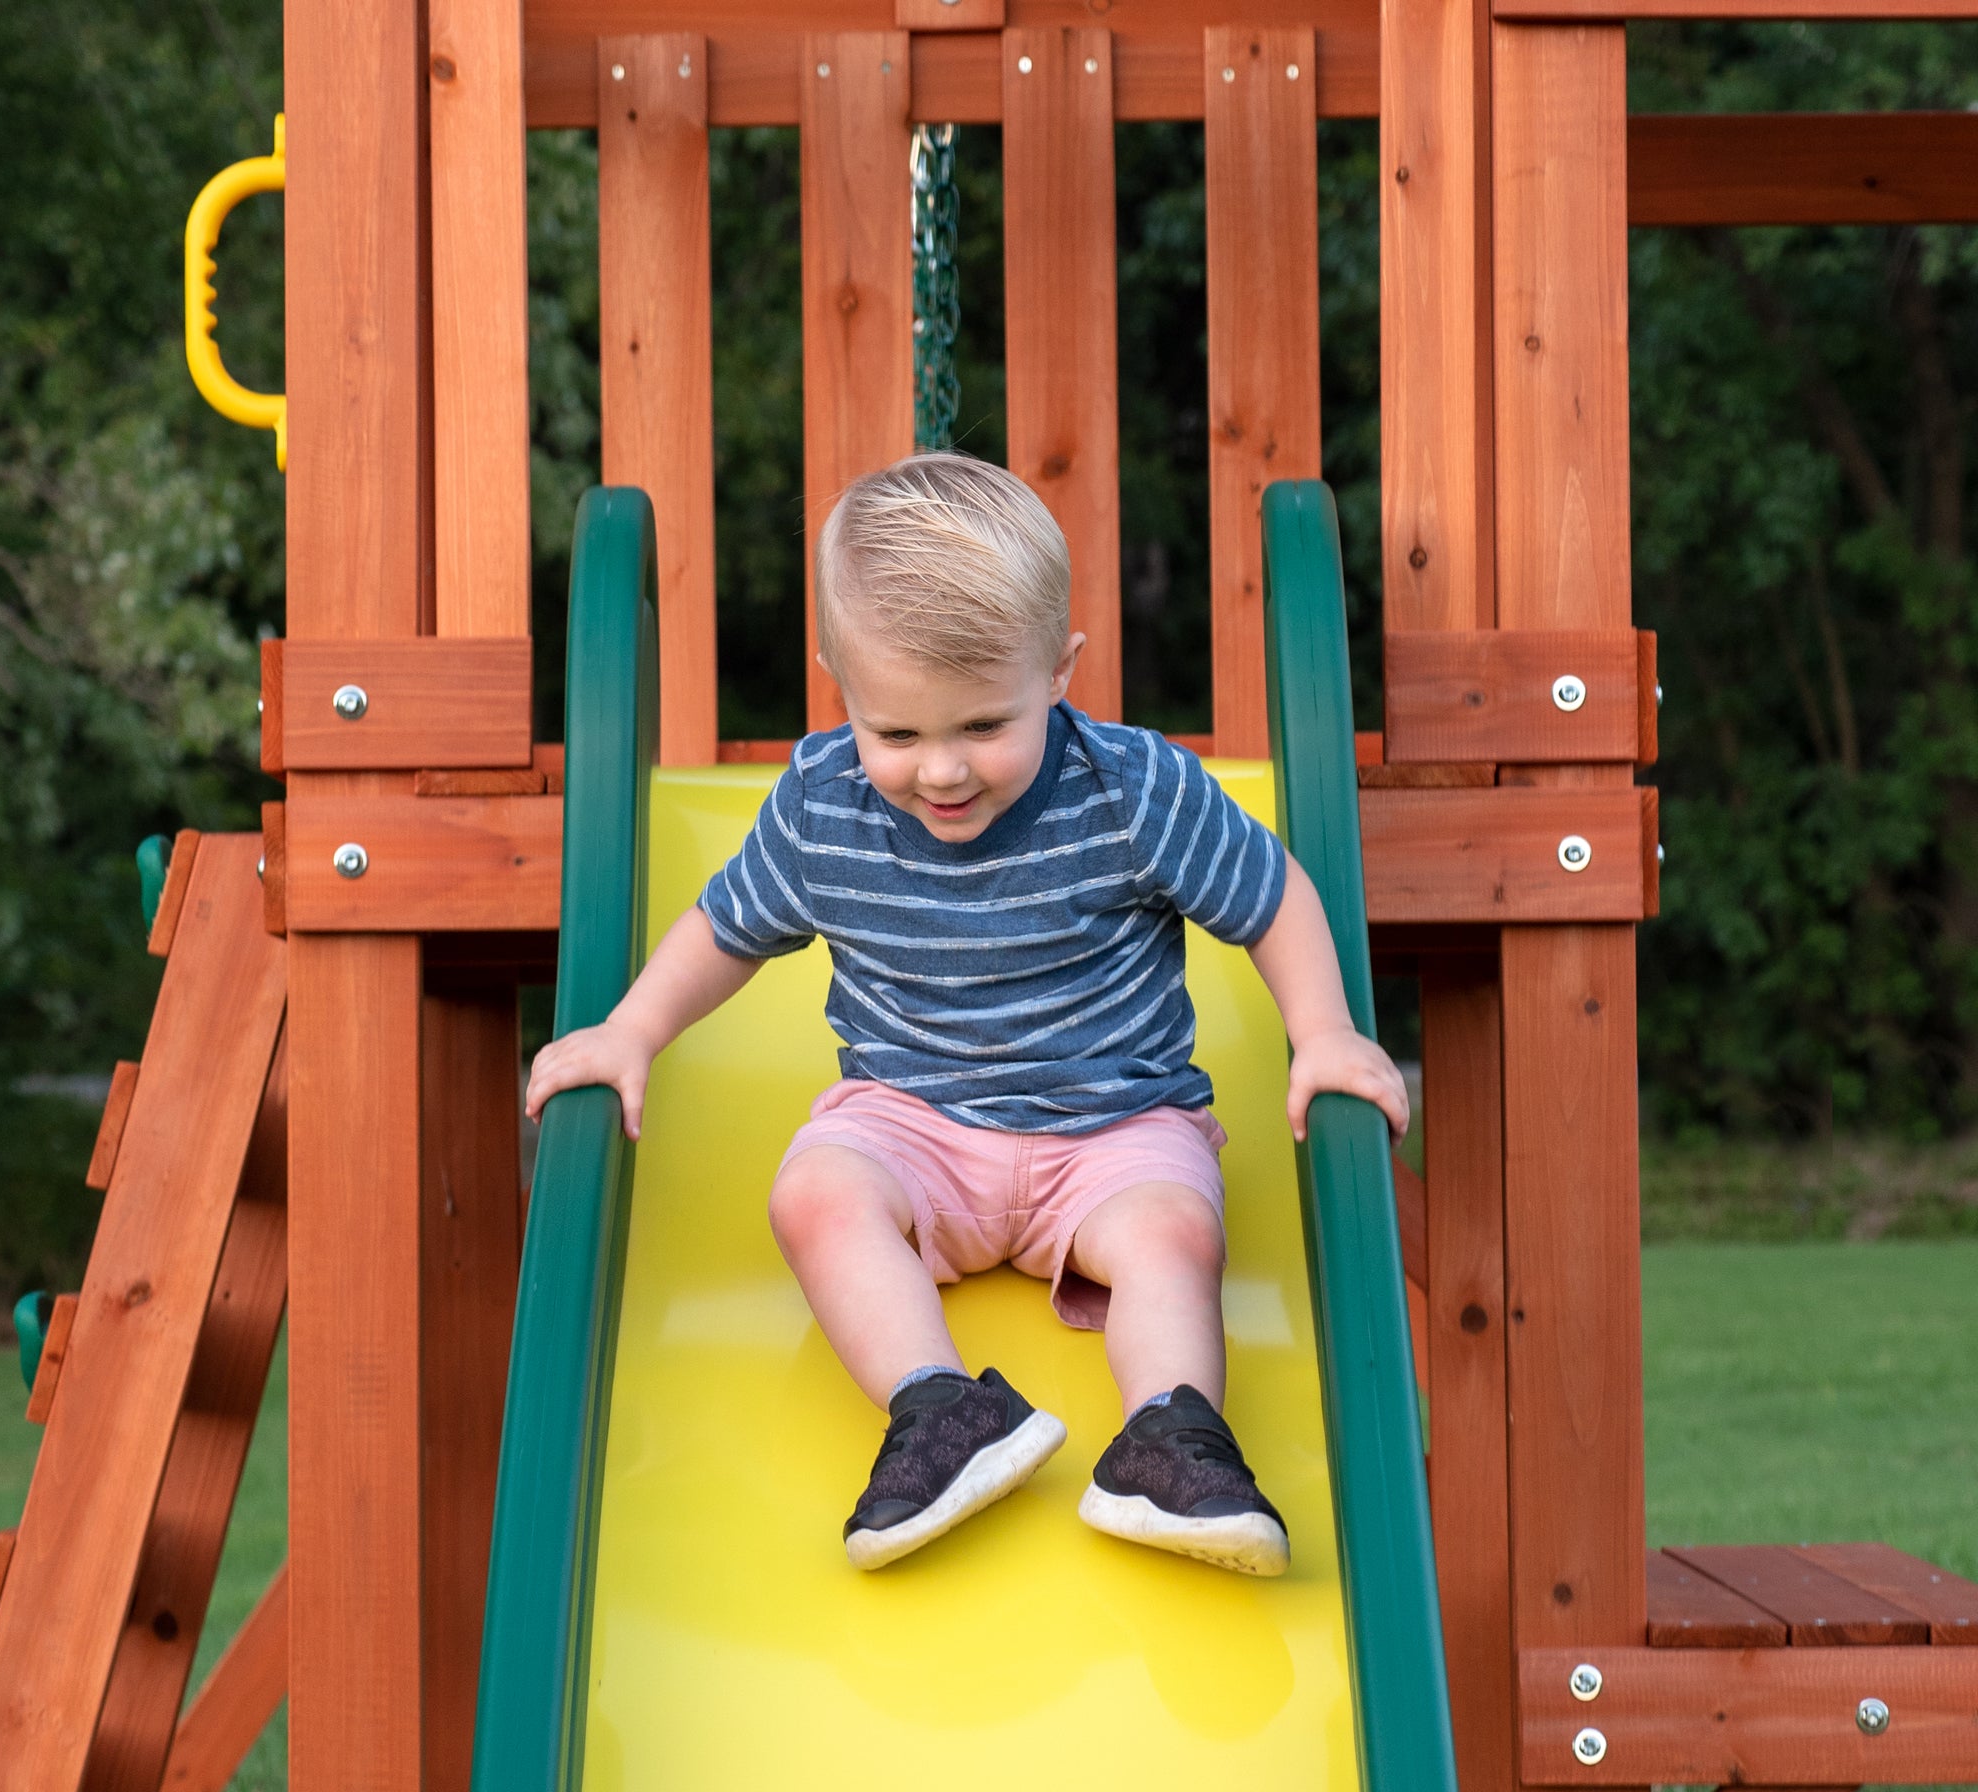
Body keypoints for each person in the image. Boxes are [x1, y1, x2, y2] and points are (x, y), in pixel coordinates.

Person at [525, 453, 1408, 1578]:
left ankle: (1173, 1437)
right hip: (914, 1122)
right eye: (895, 733)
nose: (940, 770)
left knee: (1172, 1235)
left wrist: (1323, 1030)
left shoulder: (1131, 789)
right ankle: (939, 1412)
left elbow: (1270, 893)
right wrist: (630, 1029)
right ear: (839, 688)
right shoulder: (822, 805)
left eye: (983, 723)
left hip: (1112, 1126)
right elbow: (725, 929)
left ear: (1059, 669)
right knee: (814, 1192)